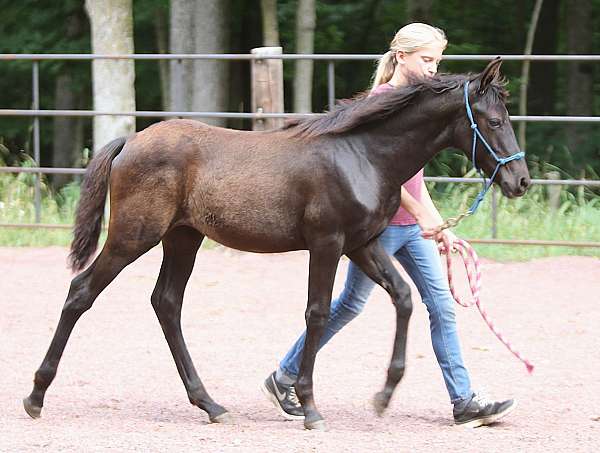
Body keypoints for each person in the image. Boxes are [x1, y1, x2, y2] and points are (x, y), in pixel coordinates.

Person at [261, 23, 515, 428]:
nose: (433, 69)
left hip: (408, 228)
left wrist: (439, 224)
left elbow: (413, 175)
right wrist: (419, 214)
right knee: (349, 305)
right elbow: (370, 176)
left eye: (437, 61)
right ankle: (286, 375)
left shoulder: (421, 103)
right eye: (426, 59)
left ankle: (463, 400)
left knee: (441, 306)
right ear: (401, 56)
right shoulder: (380, 101)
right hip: (373, 226)